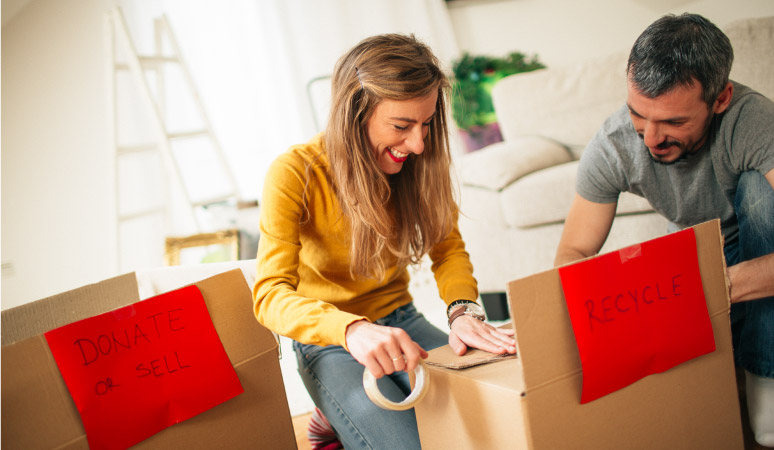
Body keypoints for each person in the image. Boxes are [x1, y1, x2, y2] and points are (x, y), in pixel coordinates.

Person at [253, 33, 517, 450]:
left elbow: (447, 249)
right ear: (353, 114)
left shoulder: (419, 161)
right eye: (401, 126)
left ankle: (338, 412)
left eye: (426, 123)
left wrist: (463, 312)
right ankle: (334, 414)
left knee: (492, 419)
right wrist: (352, 329)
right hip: (332, 342)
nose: (418, 143)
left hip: (403, 320)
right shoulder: (294, 172)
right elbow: (269, 295)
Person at [554, 13, 774, 447]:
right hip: (703, 259)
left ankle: (765, 379)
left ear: (721, 98)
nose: (651, 137)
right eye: (639, 114)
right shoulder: (616, 142)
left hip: (757, 260)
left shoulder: (754, 121)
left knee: (757, 190)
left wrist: (717, 285)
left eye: (674, 122)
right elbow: (573, 252)